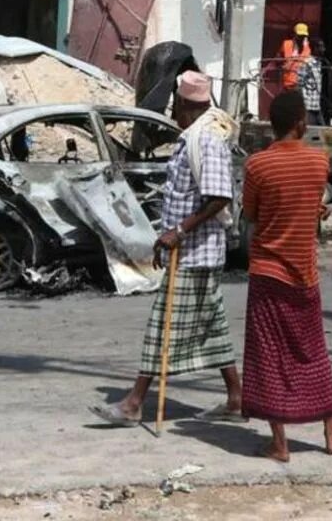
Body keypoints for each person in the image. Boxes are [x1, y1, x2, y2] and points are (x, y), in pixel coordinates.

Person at [89, 71, 243, 427]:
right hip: (191, 251)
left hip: (196, 252)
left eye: (176, 103)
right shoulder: (192, 136)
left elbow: (219, 197)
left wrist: (178, 231)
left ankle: (133, 403)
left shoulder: (206, 138)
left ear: (187, 105)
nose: (172, 110)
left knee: (162, 326)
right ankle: (236, 398)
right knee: (212, 325)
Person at [241, 91, 332, 462]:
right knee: (313, 351)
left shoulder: (257, 166)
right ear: (301, 122)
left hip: (268, 271)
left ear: (272, 125)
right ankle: (331, 435)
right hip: (305, 274)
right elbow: (305, 200)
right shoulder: (319, 163)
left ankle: (280, 444)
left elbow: (253, 215)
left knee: (269, 355)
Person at [276, 23, 324, 126]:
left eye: (303, 36)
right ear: (294, 35)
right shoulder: (286, 44)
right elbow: (277, 60)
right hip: (288, 85)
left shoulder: (309, 49)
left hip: (300, 88)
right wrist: (283, 65)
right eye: (299, 36)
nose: (301, 38)